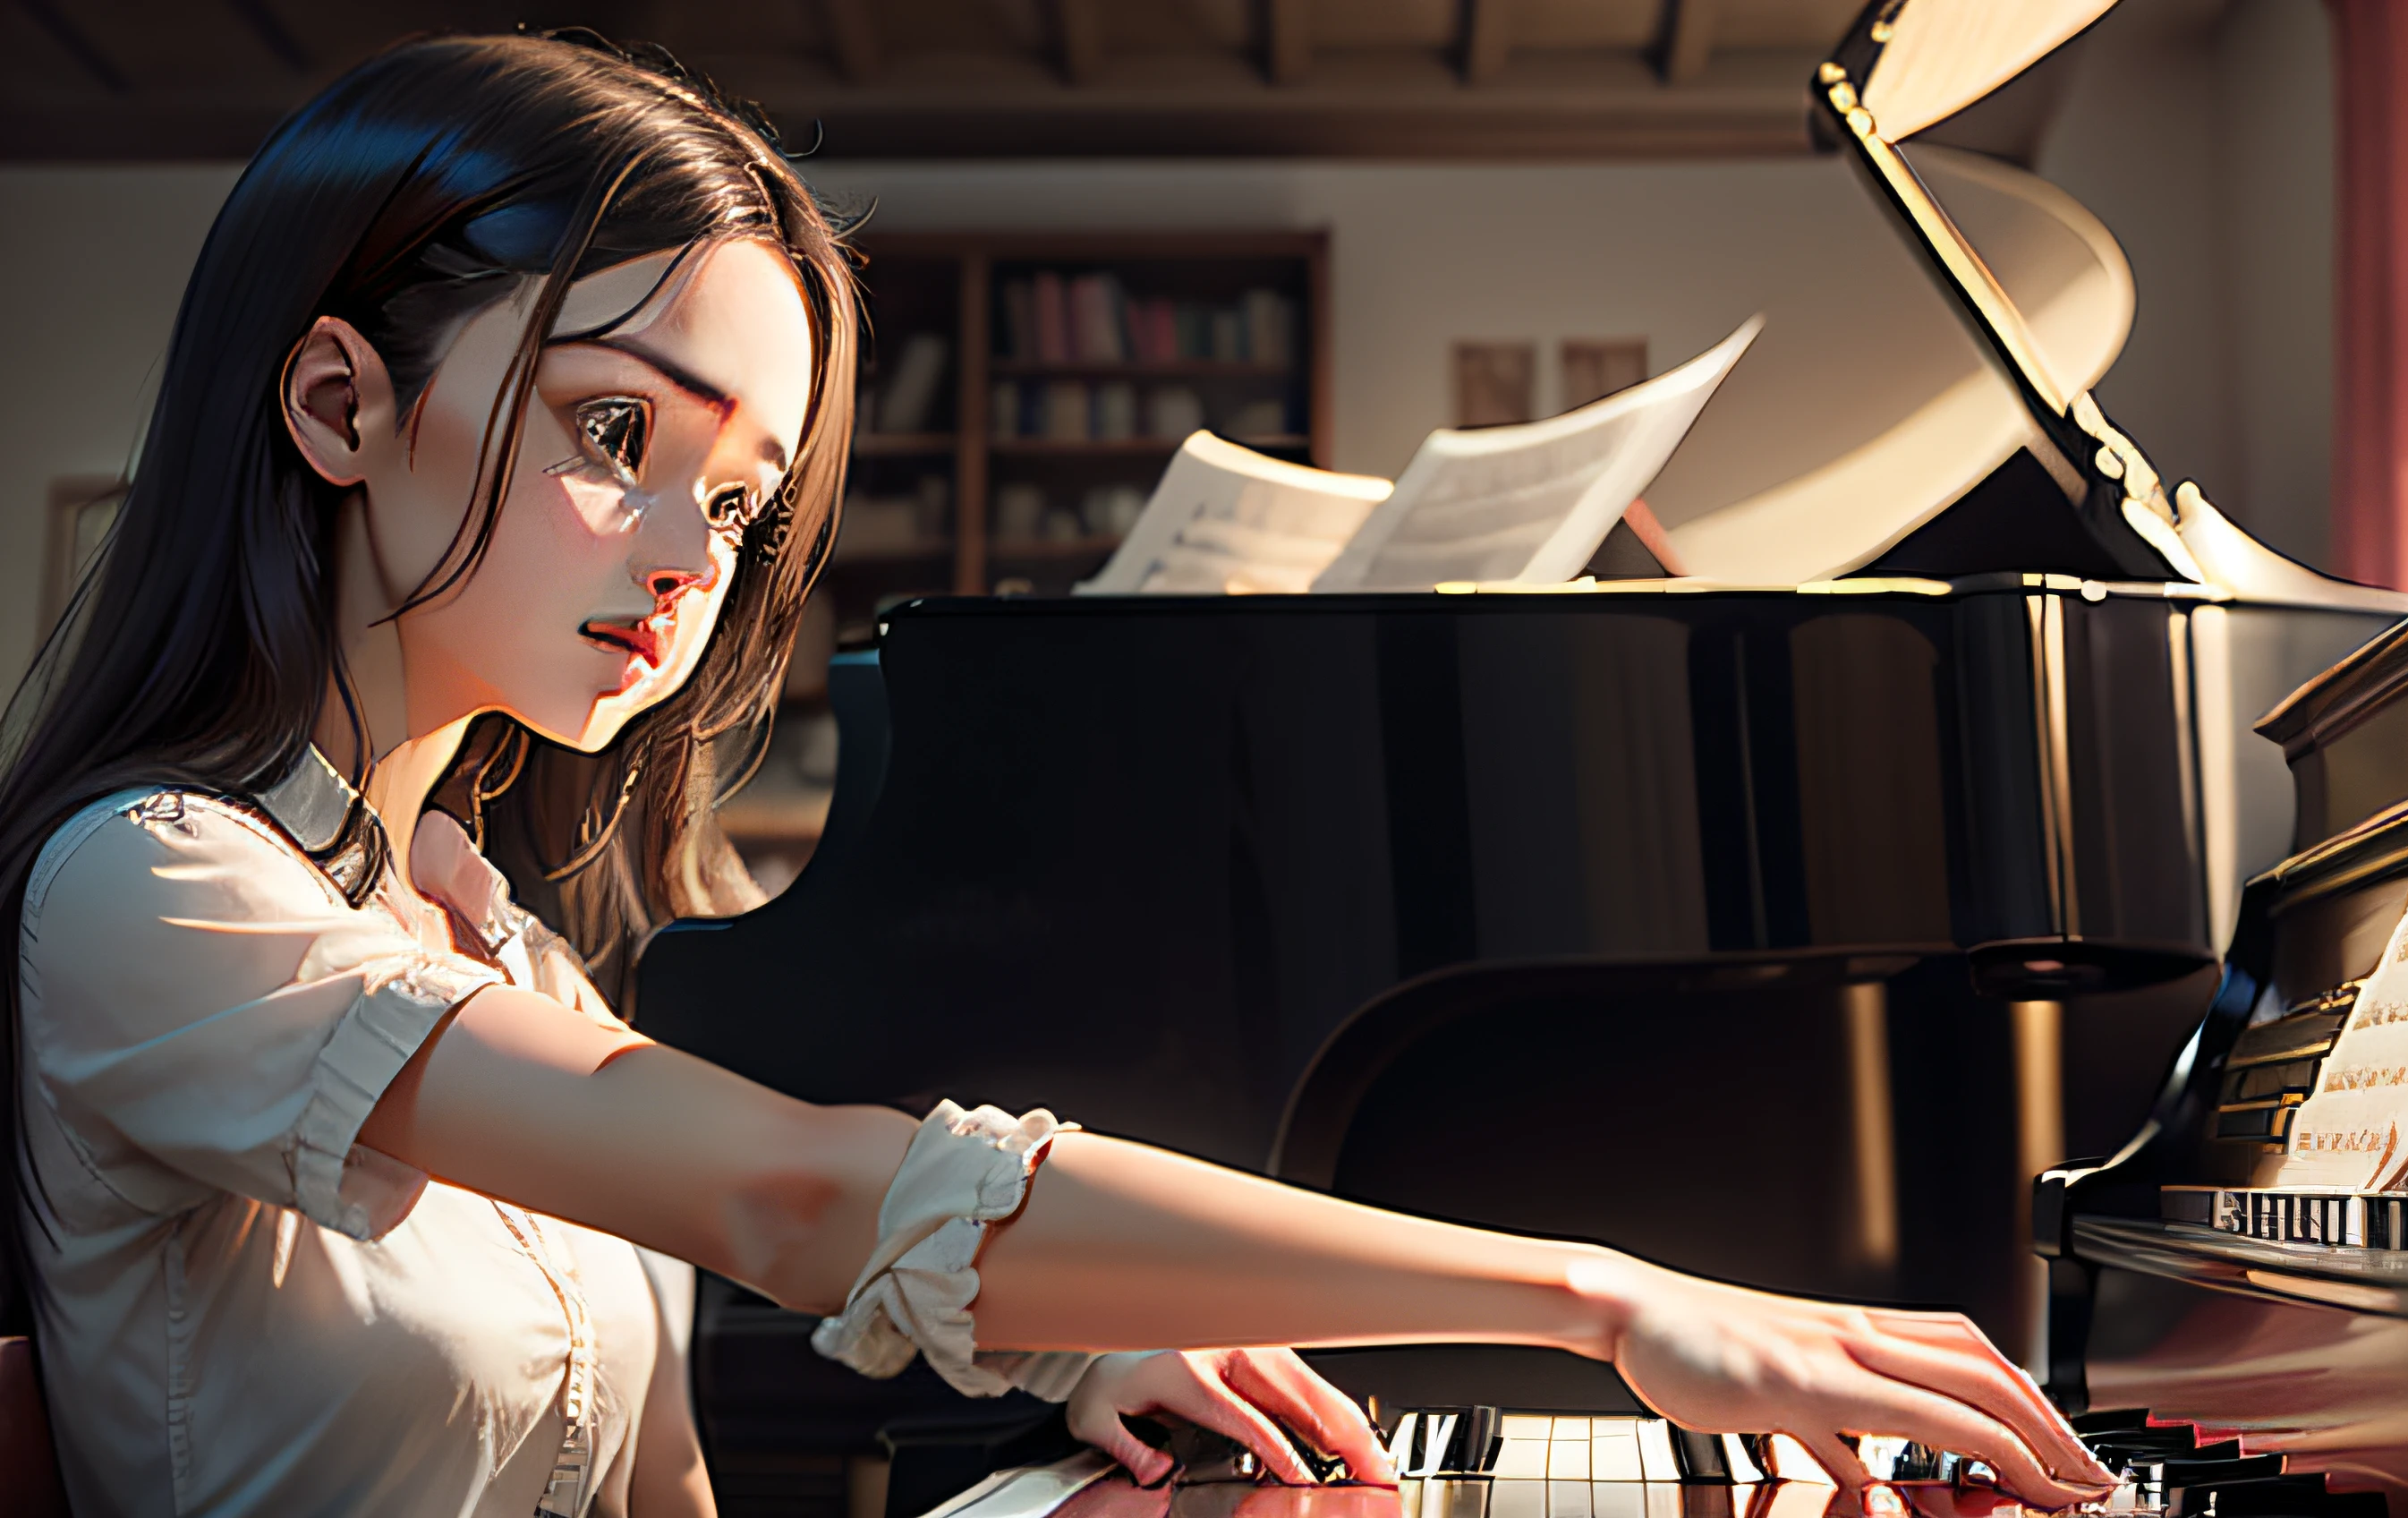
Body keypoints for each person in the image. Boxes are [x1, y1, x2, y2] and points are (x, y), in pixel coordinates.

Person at [0, 32, 2118, 1518]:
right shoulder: (148, 892)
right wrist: (1610, 1295)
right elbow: (785, 1189)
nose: (682, 556)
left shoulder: (494, 932)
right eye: (616, 437)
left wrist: (1076, 1346)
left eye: (739, 502)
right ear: (341, 401)